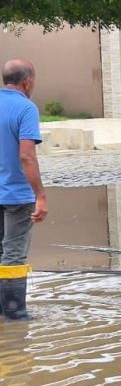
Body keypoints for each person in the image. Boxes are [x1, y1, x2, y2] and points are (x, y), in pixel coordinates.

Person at [0, 59, 47, 321]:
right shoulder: (26, 108)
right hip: (16, 195)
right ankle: (15, 314)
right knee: (14, 253)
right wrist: (40, 195)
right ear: (27, 82)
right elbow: (26, 156)